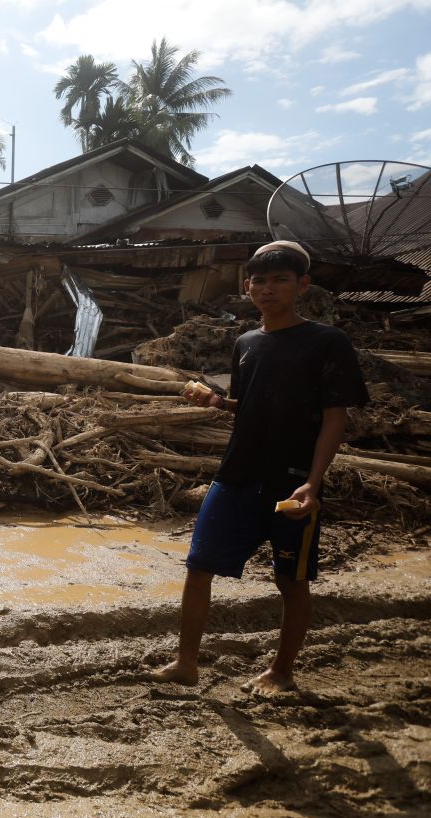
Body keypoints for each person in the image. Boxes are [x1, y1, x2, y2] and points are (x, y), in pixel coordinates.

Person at [152, 240, 369, 695]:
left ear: (301, 285)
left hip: (291, 483)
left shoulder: (327, 341)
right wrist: (217, 400)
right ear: (247, 286)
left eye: (280, 280)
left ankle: (282, 672)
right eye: (260, 281)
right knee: (198, 567)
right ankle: (185, 662)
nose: (268, 289)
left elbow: (336, 416)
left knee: (290, 581)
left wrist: (314, 481)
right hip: (235, 475)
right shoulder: (247, 342)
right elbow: (249, 406)